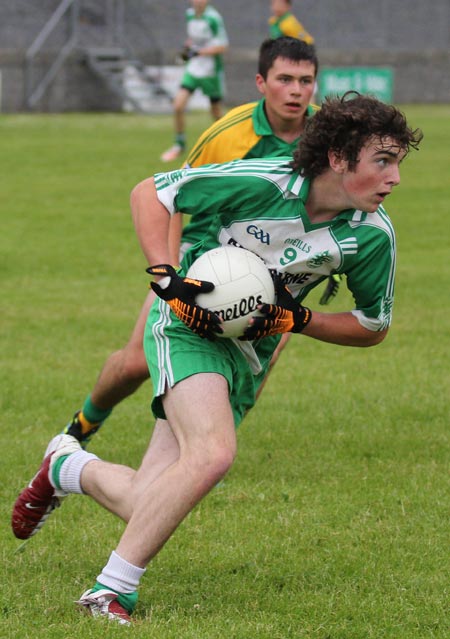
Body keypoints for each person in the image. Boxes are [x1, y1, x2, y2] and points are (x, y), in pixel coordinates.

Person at [12, 92, 422, 624]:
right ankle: (108, 593)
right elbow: (151, 193)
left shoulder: (370, 236)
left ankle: (67, 465)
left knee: (147, 502)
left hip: (248, 355)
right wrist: (166, 277)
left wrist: (299, 320)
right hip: (188, 326)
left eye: (397, 163)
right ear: (340, 159)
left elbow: (372, 325)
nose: (394, 179)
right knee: (212, 453)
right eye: (383, 162)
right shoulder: (264, 181)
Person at [58, 36, 322, 450]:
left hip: (271, 263)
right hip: (204, 252)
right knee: (136, 363)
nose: (296, 91)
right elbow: (172, 195)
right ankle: (83, 424)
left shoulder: (326, 139)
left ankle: (212, 442)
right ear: (260, 81)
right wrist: (171, 270)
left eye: (305, 81)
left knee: (271, 339)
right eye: (284, 79)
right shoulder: (229, 132)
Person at [160, 0, 229, 163]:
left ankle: (228, 145)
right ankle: (179, 145)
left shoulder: (213, 18)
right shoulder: (189, 14)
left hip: (210, 71)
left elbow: (223, 46)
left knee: (217, 114)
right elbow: (192, 39)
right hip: (194, 69)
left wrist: (199, 52)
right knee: (178, 105)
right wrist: (188, 48)